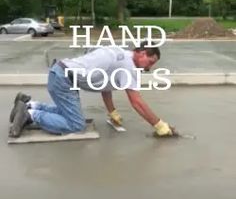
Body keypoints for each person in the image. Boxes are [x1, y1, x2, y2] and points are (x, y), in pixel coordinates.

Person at [9, 41, 175, 138]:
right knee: (75, 125)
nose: (149, 69)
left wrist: (112, 112)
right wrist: (158, 124)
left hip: (60, 74)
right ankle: (30, 115)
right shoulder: (128, 65)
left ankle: (30, 104)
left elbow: (105, 87)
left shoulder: (119, 53)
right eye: (150, 62)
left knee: (66, 113)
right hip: (64, 79)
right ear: (142, 53)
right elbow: (136, 101)